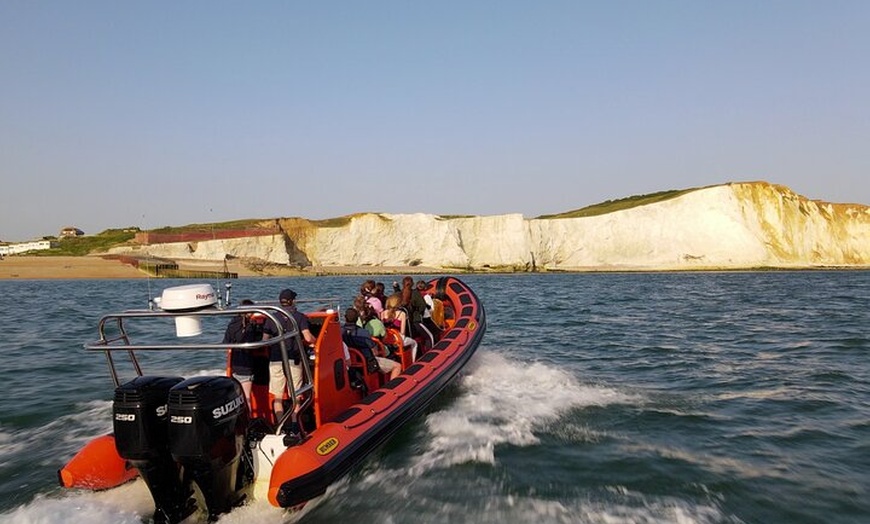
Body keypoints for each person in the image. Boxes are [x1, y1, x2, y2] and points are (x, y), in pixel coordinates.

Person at [264, 289, 316, 422]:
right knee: (296, 395)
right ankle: (294, 423)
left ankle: (281, 424)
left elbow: (265, 340)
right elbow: (308, 337)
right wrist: (317, 341)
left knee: (278, 396)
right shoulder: (299, 317)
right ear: (292, 301)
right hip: (294, 359)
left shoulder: (272, 318)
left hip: (275, 360)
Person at [222, 299, 263, 408]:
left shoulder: (232, 324)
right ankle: (248, 421)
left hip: (235, 365)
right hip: (246, 365)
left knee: (238, 398)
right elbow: (256, 343)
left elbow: (226, 343)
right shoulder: (250, 326)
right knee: (247, 398)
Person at [342, 308, 400, 380]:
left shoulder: (339, 333)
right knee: (397, 366)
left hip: (350, 364)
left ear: (345, 318)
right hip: (367, 363)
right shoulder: (363, 332)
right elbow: (374, 352)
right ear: (357, 319)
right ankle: (393, 388)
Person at [401, 276, 435, 352]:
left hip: (406, 324)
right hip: (416, 321)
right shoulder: (415, 293)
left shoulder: (399, 293)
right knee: (430, 337)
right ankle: (431, 355)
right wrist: (419, 312)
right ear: (412, 284)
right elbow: (422, 306)